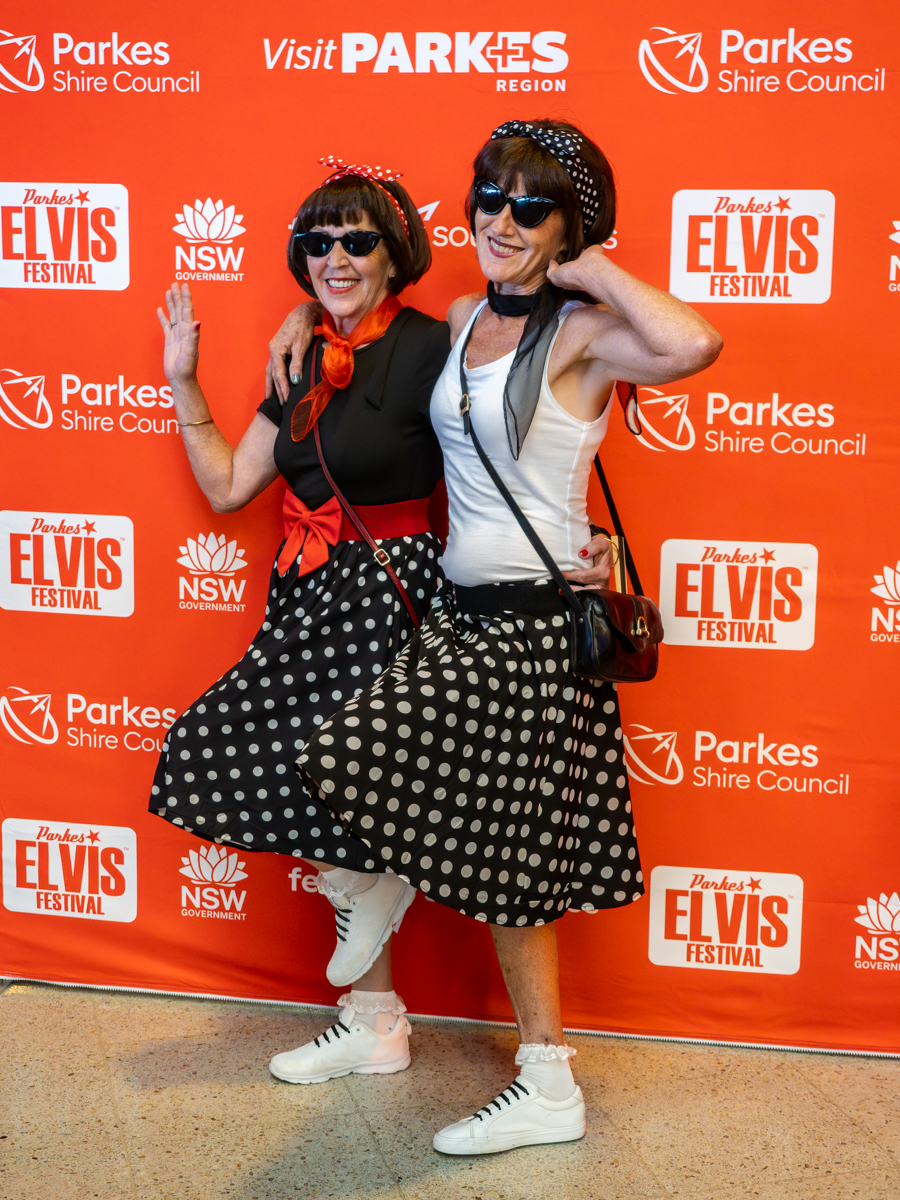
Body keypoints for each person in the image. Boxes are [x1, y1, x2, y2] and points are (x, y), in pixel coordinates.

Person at [292, 119, 723, 1154]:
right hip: (458, 608)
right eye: (490, 198)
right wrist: (300, 321)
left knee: (513, 867)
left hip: (535, 627)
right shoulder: (461, 316)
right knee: (446, 820)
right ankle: (388, 927)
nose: (502, 220)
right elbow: (371, 331)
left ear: (568, 227)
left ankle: (545, 1083)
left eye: (532, 208)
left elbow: (692, 345)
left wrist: (591, 265)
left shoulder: (579, 334)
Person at [149, 157, 450, 1074]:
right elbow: (227, 484)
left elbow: (500, 454)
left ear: (396, 254)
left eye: (358, 240)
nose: (336, 258)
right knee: (232, 755)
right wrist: (183, 379)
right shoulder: (301, 358)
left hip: (392, 591)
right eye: (318, 244)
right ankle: (375, 1021)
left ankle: (376, 939)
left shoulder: (436, 347)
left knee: (346, 783)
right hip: (310, 590)